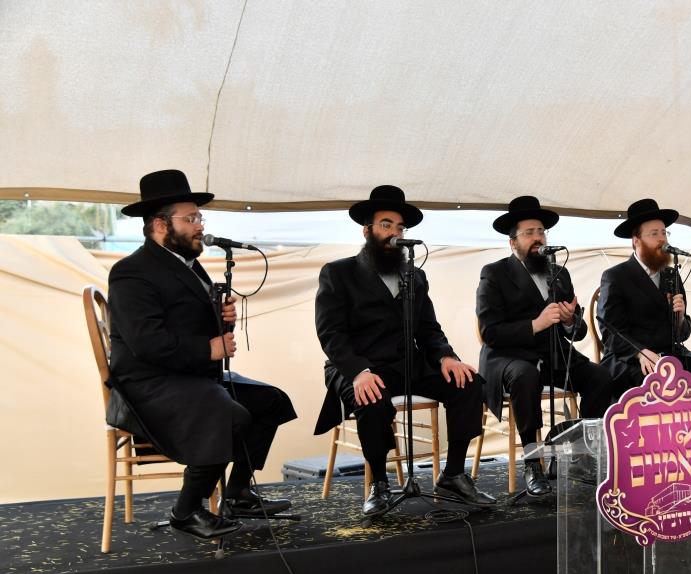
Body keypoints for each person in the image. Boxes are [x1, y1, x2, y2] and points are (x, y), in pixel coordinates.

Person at [108, 169, 297, 540]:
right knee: (228, 414)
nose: (199, 226)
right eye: (190, 218)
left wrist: (222, 320)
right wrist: (209, 347)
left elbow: (193, 327)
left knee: (270, 401)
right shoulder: (131, 272)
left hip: (189, 376)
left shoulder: (191, 268)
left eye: (200, 218)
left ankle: (238, 493)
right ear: (160, 225)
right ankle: (186, 510)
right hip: (148, 383)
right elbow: (146, 341)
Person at [313, 185, 496, 516]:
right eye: (386, 225)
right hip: (358, 366)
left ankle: (453, 473)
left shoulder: (415, 274)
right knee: (373, 398)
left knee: (469, 383)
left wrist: (446, 357)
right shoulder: (338, 273)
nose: (394, 233)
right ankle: (379, 483)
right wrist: (358, 371)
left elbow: (429, 329)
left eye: (399, 228)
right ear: (366, 230)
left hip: (409, 365)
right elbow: (331, 334)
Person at [476, 196, 613, 495]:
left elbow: (577, 332)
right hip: (509, 357)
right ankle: (533, 462)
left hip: (554, 356)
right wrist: (535, 324)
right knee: (526, 377)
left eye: (541, 231)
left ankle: (580, 452)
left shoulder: (558, 273)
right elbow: (490, 332)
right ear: (513, 243)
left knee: (601, 377)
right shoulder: (494, 273)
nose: (538, 238)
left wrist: (567, 321)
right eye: (529, 232)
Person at [597, 198, 691, 399]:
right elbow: (610, 331)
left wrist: (680, 318)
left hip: (672, 355)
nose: (662, 239)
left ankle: (690, 429)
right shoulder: (616, 276)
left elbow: (682, 334)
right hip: (631, 358)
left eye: (664, 233)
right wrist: (640, 352)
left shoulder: (671, 275)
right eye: (654, 234)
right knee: (654, 388)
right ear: (636, 240)